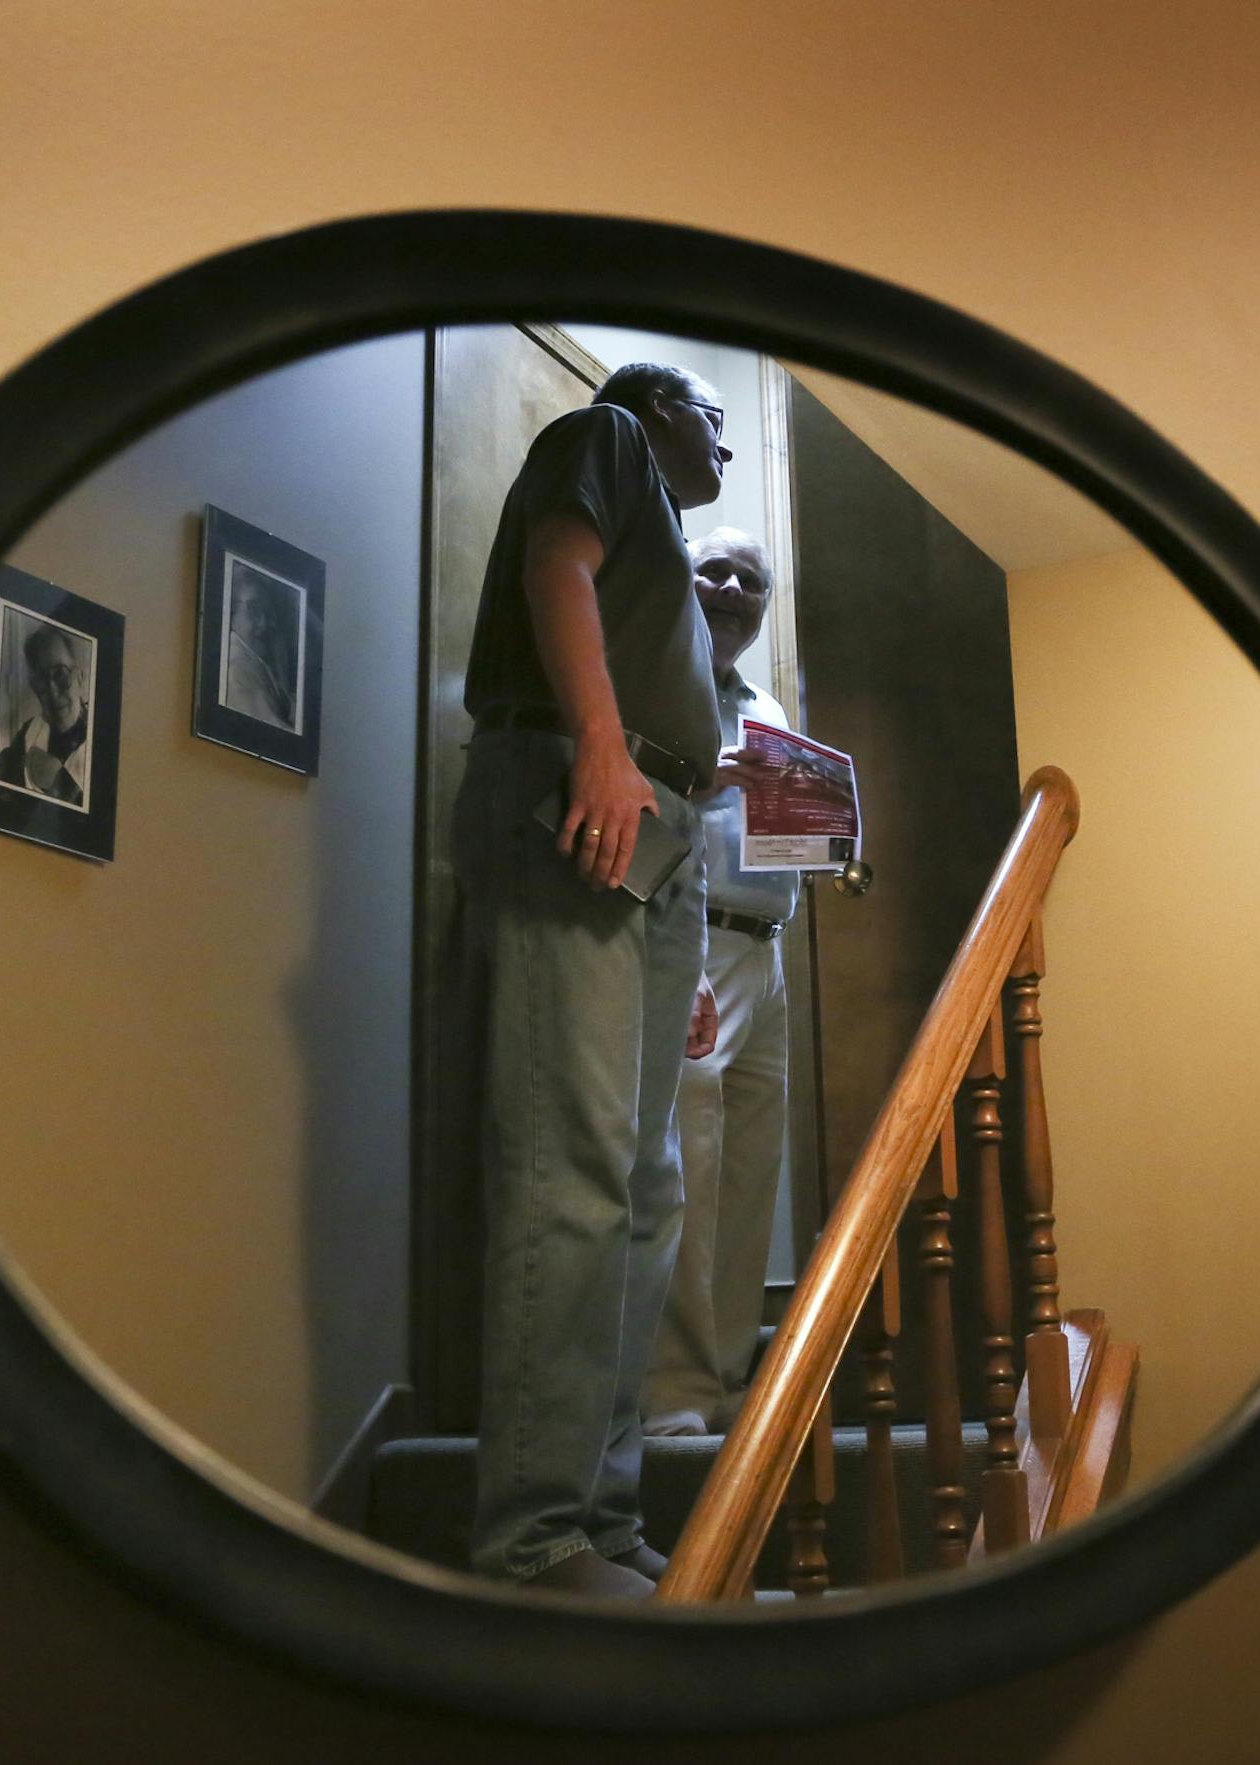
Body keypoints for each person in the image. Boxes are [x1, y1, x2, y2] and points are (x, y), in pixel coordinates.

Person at [452, 361, 732, 1597]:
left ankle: (602, 1518)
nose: (717, 435)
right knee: (573, 1167)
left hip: (654, 826)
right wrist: (605, 748)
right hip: (584, 788)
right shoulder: (607, 432)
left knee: (645, 1185)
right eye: (709, 414)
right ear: (660, 407)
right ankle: (534, 1537)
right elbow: (555, 567)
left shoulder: (667, 536)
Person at [641, 528, 800, 1437]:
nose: (734, 586)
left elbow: (776, 831)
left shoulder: (767, 702)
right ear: (680, 579)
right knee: (686, 1164)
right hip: (686, 934)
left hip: (766, 949)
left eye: (752, 579)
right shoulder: (655, 679)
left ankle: (730, 1380)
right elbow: (642, 804)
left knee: (748, 1178)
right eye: (716, 569)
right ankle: (674, 1394)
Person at [0, 621, 92, 805]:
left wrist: (59, 784)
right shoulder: (29, 732)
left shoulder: (104, 741)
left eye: (60, 674)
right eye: (41, 680)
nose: (52, 691)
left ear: (79, 676)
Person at [223, 563, 300, 729]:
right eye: (254, 610)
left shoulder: (256, 659)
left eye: (267, 612)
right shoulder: (237, 666)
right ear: (232, 612)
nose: (264, 624)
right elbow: (274, 732)